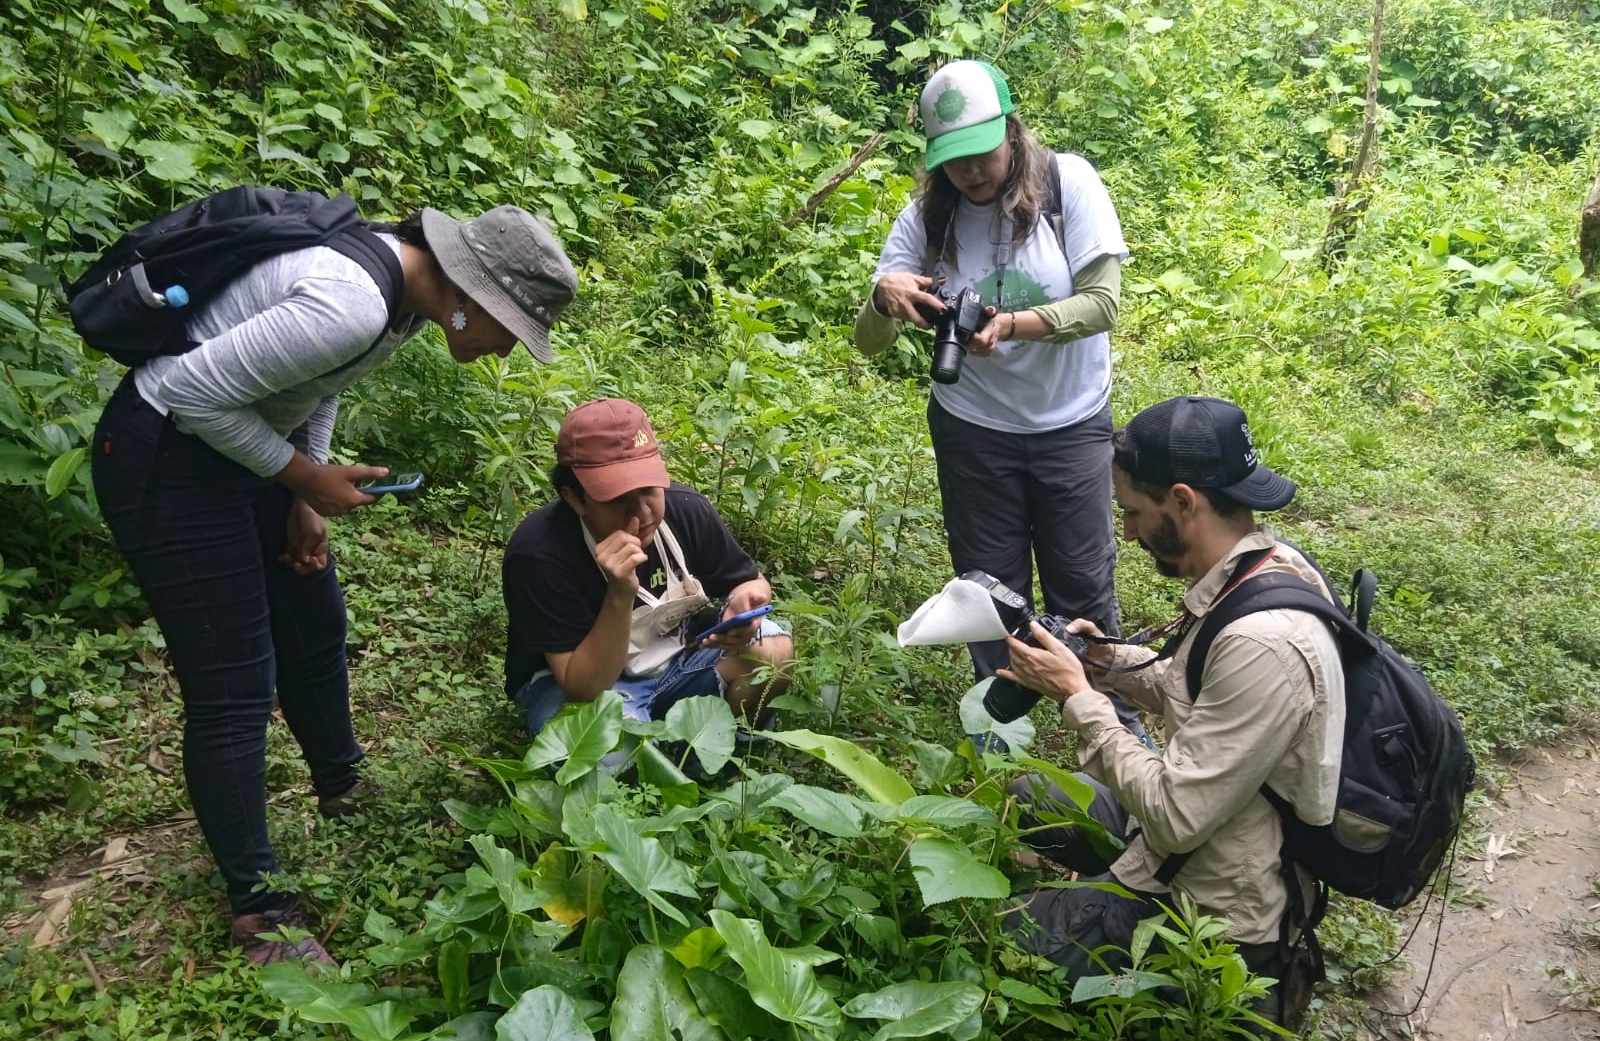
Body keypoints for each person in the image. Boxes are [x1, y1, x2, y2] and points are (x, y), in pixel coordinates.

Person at [90, 202, 579, 966]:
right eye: (509, 332)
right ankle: (258, 907)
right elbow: (187, 392)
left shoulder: (402, 301)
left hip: (241, 447)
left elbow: (322, 383)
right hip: (166, 459)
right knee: (234, 688)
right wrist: (304, 476)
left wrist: (300, 497)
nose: (503, 353)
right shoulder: (349, 302)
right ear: (472, 298)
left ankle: (341, 784)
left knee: (314, 620)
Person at [994, 395, 1345, 1028]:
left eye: (1132, 510)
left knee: (1009, 958)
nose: (1126, 531)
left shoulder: (1266, 640)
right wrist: (1102, 662)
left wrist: (1079, 697)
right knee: (1035, 794)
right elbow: (1195, 684)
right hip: (1189, 834)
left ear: (1183, 500)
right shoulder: (1262, 566)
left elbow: (1177, 818)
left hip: (1216, 907)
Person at [852, 60, 1144, 736]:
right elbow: (868, 342)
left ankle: (1116, 730)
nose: (971, 172)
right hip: (973, 428)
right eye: (953, 161)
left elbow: (1102, 303)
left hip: (1069, 421)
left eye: (982, 154)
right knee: (986, 588)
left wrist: (1011, 325)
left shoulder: (1068, 185)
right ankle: (1000, 736)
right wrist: (883, 297)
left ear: (1011, 130)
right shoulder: (927, 216)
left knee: (1083, 586)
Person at [502, 398, 793, 743]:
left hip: (681, 655)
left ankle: (723, 751)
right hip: (581, 685)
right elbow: (585, 687)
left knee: (773, 653)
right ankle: (653, 757)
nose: (643, 511)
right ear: (574, 498)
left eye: (649, 488)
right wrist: (619, 594)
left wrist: (744, 602)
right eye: (617, 497)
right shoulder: (540, 556)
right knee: (593, 749)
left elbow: (748, 581)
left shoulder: (686, 510)